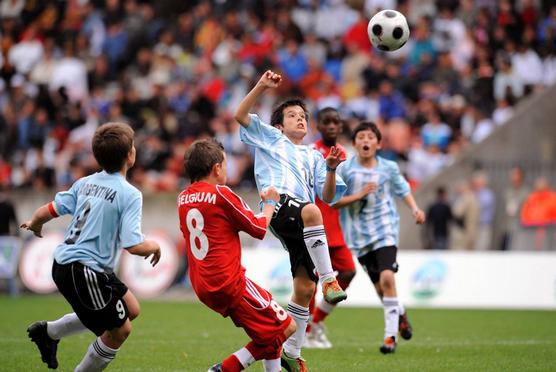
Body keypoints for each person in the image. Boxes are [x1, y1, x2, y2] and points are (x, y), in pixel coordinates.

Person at [21, 122, 161, 371]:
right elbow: (133, 245)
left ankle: (50, 332)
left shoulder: (84, 183)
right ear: (130, 155)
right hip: (83, 270)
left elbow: (49, 209)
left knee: (131, 308)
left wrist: (35, 224)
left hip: (73, 264)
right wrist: (154, 247)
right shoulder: (130, 194)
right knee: (120, 330)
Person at [234, 70, 347, 370]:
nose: (300, 119)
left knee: (304, 289)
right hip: (278, 204)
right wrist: (261, 86)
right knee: (312, 211)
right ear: (279, 125)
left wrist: (333, 169)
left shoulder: (314, 156)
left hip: (303, 224)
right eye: (292, 115)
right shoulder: (270, 138)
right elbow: (240, 114)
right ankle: (330, 279)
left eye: (303, 116)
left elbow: (330, 195)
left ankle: (291, 353)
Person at [178, 139, 296, 372]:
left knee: (265, 333)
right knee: (286, 326)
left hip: (203, 285)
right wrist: (270, 202)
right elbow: (259, 228)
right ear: (217, 168)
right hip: (229, 282)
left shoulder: (182, 198)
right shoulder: (221, 193)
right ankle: (225, 369)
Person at [334, 121, 425, 354]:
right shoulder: (345, 169)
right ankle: (400, 313)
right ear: (354, 144)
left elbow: (403, 189)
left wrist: (415, 209)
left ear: (378, 143)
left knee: (387, 278)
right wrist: (360, 194)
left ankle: (389, 338)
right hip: (359, 237)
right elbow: (334, 202)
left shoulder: (388, 168)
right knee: (380, 289)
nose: (366, 140)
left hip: (385, 229)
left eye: (370, 137)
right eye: (361, 137)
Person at [305, 107, 356, 349]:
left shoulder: (344, 154)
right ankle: (305, 331)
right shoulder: (312, 152)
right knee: (311, 282)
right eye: (327, 122)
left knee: (348, 271)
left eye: (336, 122)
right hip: (315, 225)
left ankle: (315, 322)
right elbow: (330, 197)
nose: (333, 126)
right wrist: (360, 196)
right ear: (319, 126)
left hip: (334, 228)